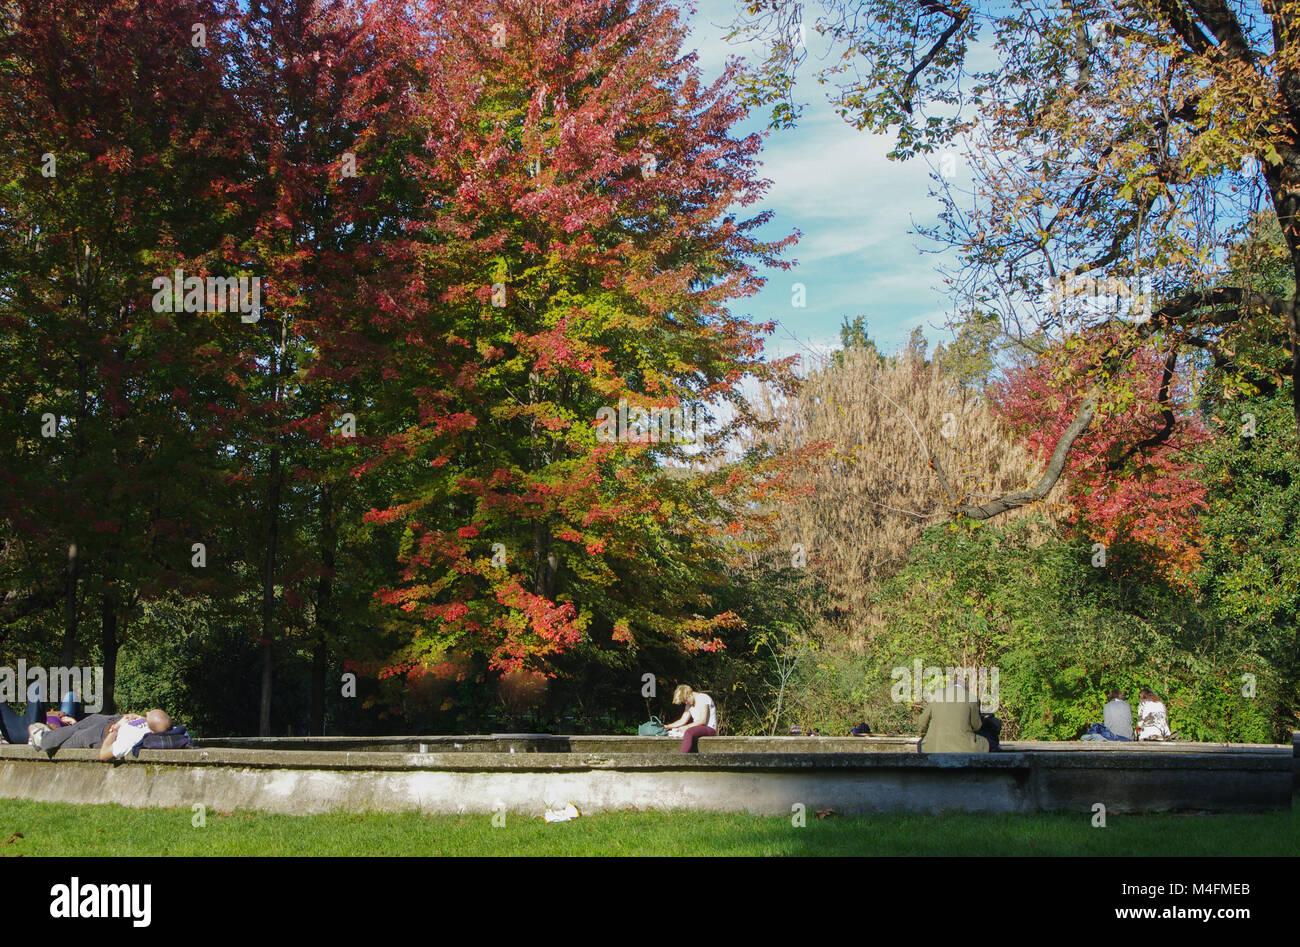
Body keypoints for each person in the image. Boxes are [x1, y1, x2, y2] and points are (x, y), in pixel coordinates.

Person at [29, 708, 173, 760]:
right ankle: (48, 735)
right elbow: (159, 724)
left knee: (77, 735)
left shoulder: (131, 740)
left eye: (148, 715)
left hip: (104, 734)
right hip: (115, 719)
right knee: (89, 719)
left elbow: (104, 754)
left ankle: (42, 740)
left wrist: (115, 729)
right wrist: (138, 718)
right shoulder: (163, 726)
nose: (146, 713)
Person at [917, 684, 990, 753]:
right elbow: (977, 726)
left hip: (935, 747)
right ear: (965, 689)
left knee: (921, 743)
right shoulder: (972, 698)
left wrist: (924, 734)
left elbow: (922, 722)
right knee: (990, 741)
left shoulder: (936, 696)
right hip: (965, 748)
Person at [664, 684, 717, 753]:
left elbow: (703, 720)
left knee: (689, 732)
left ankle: (681, 758)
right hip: (698, 728)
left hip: (709, 728)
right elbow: (682, 720)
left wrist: (687, 727)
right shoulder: (689, 705)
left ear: (689, 694)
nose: (686, 703)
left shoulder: (703, 698)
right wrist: (668, 726)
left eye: (686, 700)